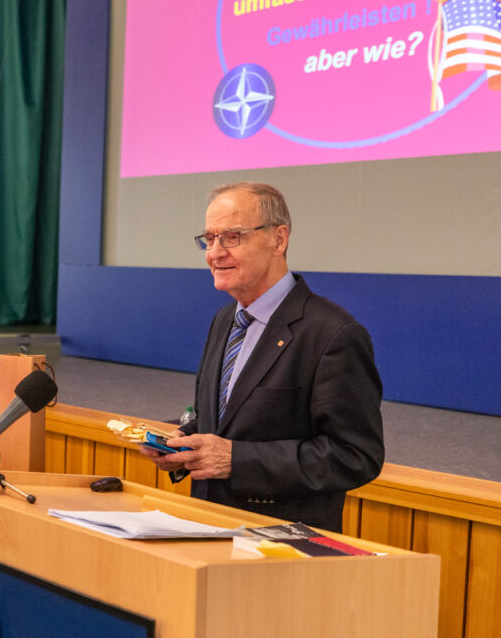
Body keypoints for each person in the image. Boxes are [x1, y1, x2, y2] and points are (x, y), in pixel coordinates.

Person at [140, 182, 383, 532]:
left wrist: (236, 461)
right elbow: (224, 424)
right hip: (206, 527)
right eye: (209, 239)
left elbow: (355, 456)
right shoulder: (225, 320)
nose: (214, 253)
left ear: (278, 240)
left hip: (282, 544)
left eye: (232, 237)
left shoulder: (333, 335)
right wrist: (180, 444)